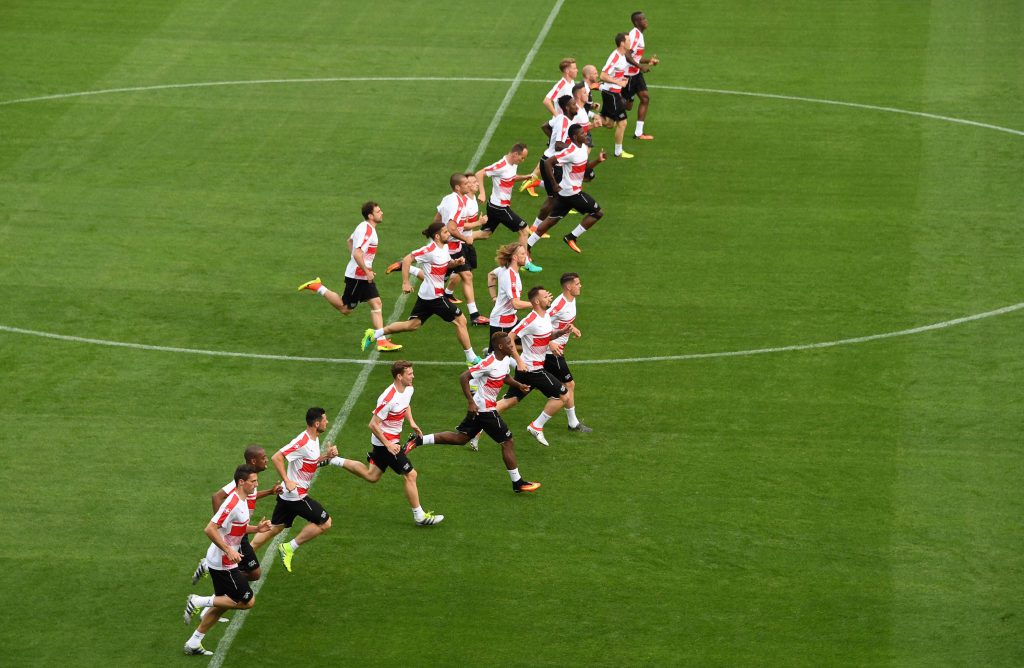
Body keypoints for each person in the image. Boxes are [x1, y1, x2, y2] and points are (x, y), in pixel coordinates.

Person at [404, 332, 541, 492]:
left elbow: (504, 376)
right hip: (485, 410)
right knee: (507, 442)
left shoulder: (503, 359)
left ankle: (419, 440)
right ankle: (518, 483)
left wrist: (518, 385)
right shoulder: (488, 362)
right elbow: (464, 377)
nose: (513, 347)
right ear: (501, 346)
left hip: (482, 408)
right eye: (509, 345)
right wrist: (470, 402)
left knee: (461, 438)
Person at [318, 360, 445, 525]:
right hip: (385, 443)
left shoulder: (408, 389)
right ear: (399, 377)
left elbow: (406, 405)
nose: (413, 376)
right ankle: (419, 516)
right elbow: (373, 424)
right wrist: (388, 444)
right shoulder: (388, 398)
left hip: (390, 441)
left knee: (372, 476)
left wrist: (412, 422)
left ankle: (334, 460)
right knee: (411, 474)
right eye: (409, 374)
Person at [182, 464, 272, 656]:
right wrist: (228, 549)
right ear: (241, 482)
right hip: (223, 563)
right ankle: (198, 601)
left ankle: (193, 643)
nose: (257, 484)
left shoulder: (243, 501)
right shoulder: (232, 503)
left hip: (226, 560)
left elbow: (237, 528)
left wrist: (257, 529)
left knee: (223, 603)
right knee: (247, 601)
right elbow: (210, 528)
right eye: (253, 481)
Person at [362, 222, 481, 365]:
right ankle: (471, 358)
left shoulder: (445, 247)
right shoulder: (429, 249)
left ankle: (374, 334)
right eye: (445, 232)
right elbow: (407, 259)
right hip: (435, 297)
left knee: (412, 325)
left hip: (427, 295)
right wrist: (406, 282)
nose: (449, 233)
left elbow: (446, 264)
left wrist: (455, 263)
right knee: (461, 321)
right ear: (437, 236)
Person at [190, 445, 282, 623]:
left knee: (253, 574)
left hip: (243, 530)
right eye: (263, 457)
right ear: (253, 461)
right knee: (249, 577)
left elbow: (251, 496)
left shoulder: (251, 482)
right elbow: (217, 497)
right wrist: (223, 525)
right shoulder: (241, 480)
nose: (267, 460)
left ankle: (215, 600)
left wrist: (270, 492)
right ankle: (209, 587)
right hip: (235, 534)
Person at [297, 201, 401, 352]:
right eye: (378, 211)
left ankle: (381, 341)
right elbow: (357, 252)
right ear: (370, 215)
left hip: (362, 274)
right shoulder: (368, 231)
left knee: (376, 303)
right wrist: (366, 270)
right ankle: (318, 287)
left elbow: (350, 241)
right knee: (345, 309)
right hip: (358, 277)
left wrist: (363, 266)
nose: (382, 213)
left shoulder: (363, 226)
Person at [249, 408, 338, 573]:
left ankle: (239, 557)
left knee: (273, 529)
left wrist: (327, 456)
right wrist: (288, 480)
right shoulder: (302, 441)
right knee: (325, 522)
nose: (327, 422)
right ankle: (289, 547)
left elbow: (309, 463)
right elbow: (277, 457)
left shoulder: (314, 440)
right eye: (325, 419)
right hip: (296, 496)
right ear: (316, 423)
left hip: (288, 497)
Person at [496, 286, 573, 447]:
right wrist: (519, 360)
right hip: (532, 369)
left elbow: (547, 336)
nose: (549, 298)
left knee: (510, 401)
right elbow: (509, 337)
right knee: (563, 395)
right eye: (546, 297)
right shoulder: (530, 320)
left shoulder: (545, 317)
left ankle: (477, 427)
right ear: (537, 301)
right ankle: (536, 426)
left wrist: (561, 332)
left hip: (530, 370)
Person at [528, 123, 608, 256]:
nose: (585, 135)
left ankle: (527, 245)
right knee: (597, 213)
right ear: (575, 137)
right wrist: (553, 184)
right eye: (582, 133)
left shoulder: (582, 148)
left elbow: (585, 167)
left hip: (565, 193)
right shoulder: (569, 151)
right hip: (572, 193)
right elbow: (548, 162)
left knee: (551, 221)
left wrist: (598, 161)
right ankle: (571, 237)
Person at [473, 144, 543, 273]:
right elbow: (479, 173)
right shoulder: (501, 165)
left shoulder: (513, 165)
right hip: (499, 207)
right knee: (523, 229)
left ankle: (461, 237)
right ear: (515, 154)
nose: (523, 161)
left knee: (485, 233)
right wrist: (482, 192)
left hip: (495, 206)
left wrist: (526, 177)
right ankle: (525, 262)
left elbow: (511, 178)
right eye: (522, 158)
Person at [520, 58, 579, 197]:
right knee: (556, 156)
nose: (577, 70)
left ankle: (533, 180)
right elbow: (547, 100)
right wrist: (558, 115)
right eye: (574, 68)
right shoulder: (562, 84)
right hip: (561, 126)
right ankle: (560, 194)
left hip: (566, 124)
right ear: (567, 71)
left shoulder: (571, 83)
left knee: (552, 155)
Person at [526, 95, 578, 247]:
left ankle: (536, 184)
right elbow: (559, 146)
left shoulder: (561, 118)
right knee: (552, 198)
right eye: (574, 104)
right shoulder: (565, 123)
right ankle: (535, 227)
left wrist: (552, 140)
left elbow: (545, 126)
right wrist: (574, 150)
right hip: (552, 164)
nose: (577, 106)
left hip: (551, 161)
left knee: (557, 193)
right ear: (567, 107)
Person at [546, 272, 592, 433]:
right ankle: (572, 423)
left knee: (525, 384)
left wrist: (572, 328)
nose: (580, 286)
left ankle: (507, 359)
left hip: (556, 349)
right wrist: (550, 342)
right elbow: (541, 320)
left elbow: (563, 321)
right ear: (568, 286)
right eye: (577, 284)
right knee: (569, 384)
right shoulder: (558, 304)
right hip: (551, 352)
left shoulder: (571, 300)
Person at [622, 12, 660, 140]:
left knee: (645, 98)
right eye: (642, 19)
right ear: (636, 22)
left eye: (645, 17)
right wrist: (640, 67)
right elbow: (627, 55)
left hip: (635, 74)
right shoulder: (635, 35)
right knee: (625, 106)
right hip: (628, 75)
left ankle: (638, 133)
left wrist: (648, 61)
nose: (646, 20)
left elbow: (635, 56)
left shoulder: (639, 35)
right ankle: (598, 116)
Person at [487, 243, 533, 340]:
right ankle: (490, 353)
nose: (526, 257)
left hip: (510, 318)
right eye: (523, 254)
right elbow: (516, 304)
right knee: (500, 353)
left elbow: (491, 275)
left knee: (528, 343)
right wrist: (536, 304)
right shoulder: (511, 277)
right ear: (515, 257)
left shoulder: (504, 269)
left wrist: (494, 297)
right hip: (502, 322)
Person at [599, 33, 634, 158]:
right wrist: (618, 82)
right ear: (622, 43)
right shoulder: (615, 57)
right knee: (622, 123)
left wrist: (622, 79)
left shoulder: (622, 55)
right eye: (629, 40)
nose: (631, 42)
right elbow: (602, 75)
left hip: (613, 92)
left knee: (609, 124)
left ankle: (587, 115)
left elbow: (615, 73)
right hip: (612, 93)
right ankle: (618, 152)